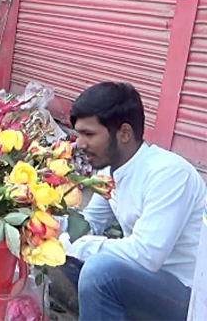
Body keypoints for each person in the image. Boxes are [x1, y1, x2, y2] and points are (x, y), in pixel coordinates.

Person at [60, 82, 207, 321]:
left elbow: (146, 255)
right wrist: (44, 226)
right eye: (78, 134)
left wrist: (75, 245)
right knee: (60, 253)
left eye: (89, 134)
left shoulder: (168, 174)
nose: (79, 144)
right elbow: (89, 224)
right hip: (145, 280)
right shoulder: (110, 173)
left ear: (124, 133)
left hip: (185, 295)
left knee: (99, 272)